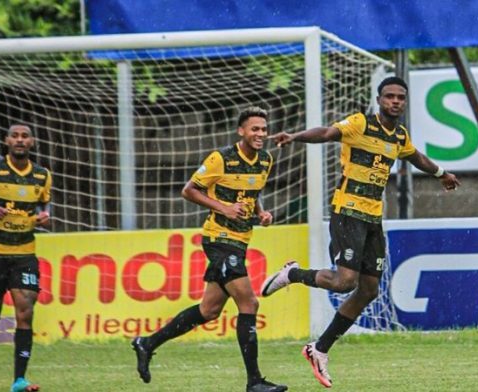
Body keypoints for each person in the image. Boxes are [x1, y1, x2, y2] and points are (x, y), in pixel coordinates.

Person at [261, 76, 461, 388]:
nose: (395, 101)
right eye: (390, 96)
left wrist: (441, 173)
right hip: (348, 211)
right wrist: (295, 136)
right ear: (379, 99)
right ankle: (294, 273)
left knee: (368, 289)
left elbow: (415, 156)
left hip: (372, 219)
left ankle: (320, 349)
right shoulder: (359, 124)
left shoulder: (399, 136)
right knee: (344, 282)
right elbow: (327, 133)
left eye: (400, 97)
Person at [131, 107, 287, 392]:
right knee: (249, 303)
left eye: (263, 129)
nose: (260, 134)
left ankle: (147, 343)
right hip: (218, 239)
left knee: (209, 310)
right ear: (241, 131)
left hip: (240, 239)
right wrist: (225, 208)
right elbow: (189, 190)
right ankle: (254, 382)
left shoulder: (265, 160)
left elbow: (253, 193)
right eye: (254, 129)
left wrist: (261, 213)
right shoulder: (221, 158)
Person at [0, 124, 51, 392]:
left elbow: (43, 205)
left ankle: (19, 380)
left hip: (24, 253)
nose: (20, 140)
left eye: (25, 136)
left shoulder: (42, 175)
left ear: (31, 142)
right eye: (15, 136)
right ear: (7, 140)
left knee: (25, 311)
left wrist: (44, 217)